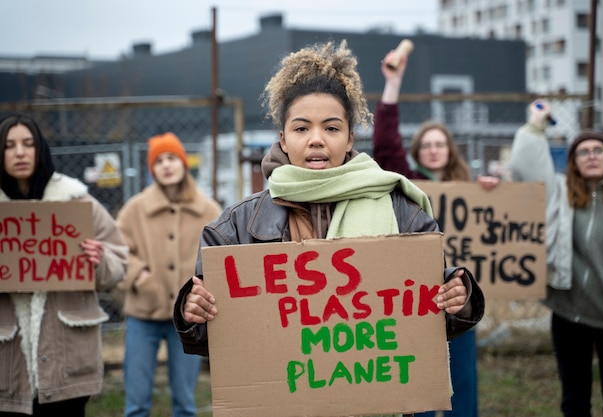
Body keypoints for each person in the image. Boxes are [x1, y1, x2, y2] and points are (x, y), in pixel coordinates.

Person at [171, 40, 485, 415]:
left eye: (331, 128)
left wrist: (456, 298)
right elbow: (220, 343)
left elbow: (426, 326)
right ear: (283, 139)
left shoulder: (403, 213)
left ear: (350, 137)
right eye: (302, 128)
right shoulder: (234, 229)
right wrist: (194, 313)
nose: (316, 139)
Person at [373, 49, 498, 417]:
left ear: (450, 150)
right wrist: (393, 83)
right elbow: (384, 142)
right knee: (422, 379)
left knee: (462, 378)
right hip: (418, 296)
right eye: (425, 145)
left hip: (460, 295)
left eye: (439, 144)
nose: (432, 150)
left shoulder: (470, 188)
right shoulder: (406, 184)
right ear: (416, 153)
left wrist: (493, 188)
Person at [0, 113, 129, 416]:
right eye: (9, 145)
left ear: (40, 149)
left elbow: (121, 262)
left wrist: (99, 261)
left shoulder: (76, 201)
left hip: (67, 362)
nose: (20, 152)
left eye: (28, 143)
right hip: (8, 366)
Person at [509, 100, 603, 417]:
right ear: (573, 161)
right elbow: (526, 167)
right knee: (575, 401)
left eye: (598, 151)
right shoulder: (559, 192)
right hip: (570, 312)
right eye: (583, 151)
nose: (591, 156)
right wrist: (536, 124)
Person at [115, 132, 222, 417]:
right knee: (136, 402)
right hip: (143, 314)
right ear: (152, 169)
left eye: (172, 158)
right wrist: (139, 276)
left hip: (187, 320)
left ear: (184, 163)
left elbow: (222, 254)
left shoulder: (208, 209)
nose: (166, 165)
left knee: (185, 402)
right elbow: (117, 250)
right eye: (158, 160)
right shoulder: (135, 209)